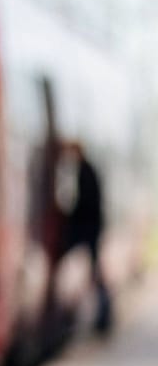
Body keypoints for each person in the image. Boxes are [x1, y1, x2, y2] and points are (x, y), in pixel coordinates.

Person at [61, 140, 111, 334]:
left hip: (89, 229)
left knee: (94, 271)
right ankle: (102, 315)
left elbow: (84, 203)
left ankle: (103, 315)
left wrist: (70, 219)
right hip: (92, 228)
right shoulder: (87, 169)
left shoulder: (84, 171)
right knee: (95, 271)